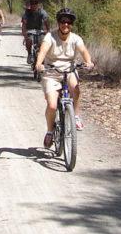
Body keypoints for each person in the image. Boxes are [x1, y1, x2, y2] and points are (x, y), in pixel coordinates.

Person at [34, 8, 95, 148]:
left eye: (68, 22)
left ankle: (76, 116)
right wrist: (39, 64)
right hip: (51, 72)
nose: (65, 25)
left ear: (71, 24)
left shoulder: (76, 38)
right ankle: (50, 131)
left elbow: (84, 51)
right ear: (58, 23)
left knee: (76, 88)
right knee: (52, 105)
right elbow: (42, 51)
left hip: (69, 70)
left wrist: (89, 62)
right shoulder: (50, 37)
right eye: (62, 21)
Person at [20, 0, 50, 64]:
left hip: (40, 30)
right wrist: (24, 34)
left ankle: (42, 57)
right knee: (29, 40)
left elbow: (46, 21)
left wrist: (48, 31)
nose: (34, 5)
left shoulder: (42, 11)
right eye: (32, 4)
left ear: (38, 4)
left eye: (35, 3)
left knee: (42, 42)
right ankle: (29, 54)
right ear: (30, 5)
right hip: (30, 30)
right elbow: (24, 24)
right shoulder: (27, 13)